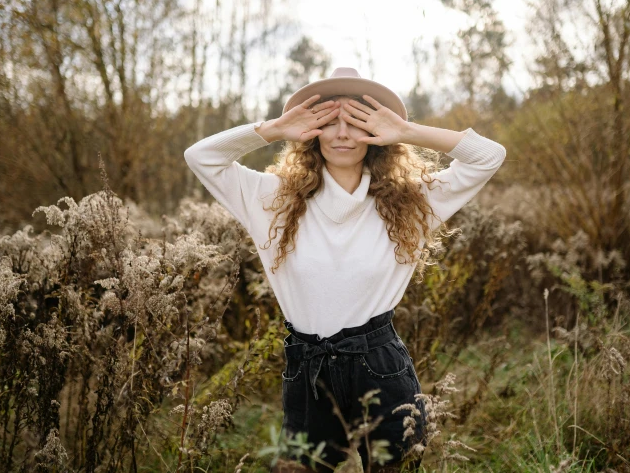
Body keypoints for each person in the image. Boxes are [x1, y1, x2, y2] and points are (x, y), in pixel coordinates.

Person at [183, 67, 507, 472]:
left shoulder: (410, 201)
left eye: (356, 123)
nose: (341, 134)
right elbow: (200, 157)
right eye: (328, 122)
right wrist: (276, 128)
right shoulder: (270, 198)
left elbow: (490, 156)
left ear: (376, 133)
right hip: (308, 366)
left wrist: (406, 130)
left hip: (380, 365)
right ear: (311, 131)